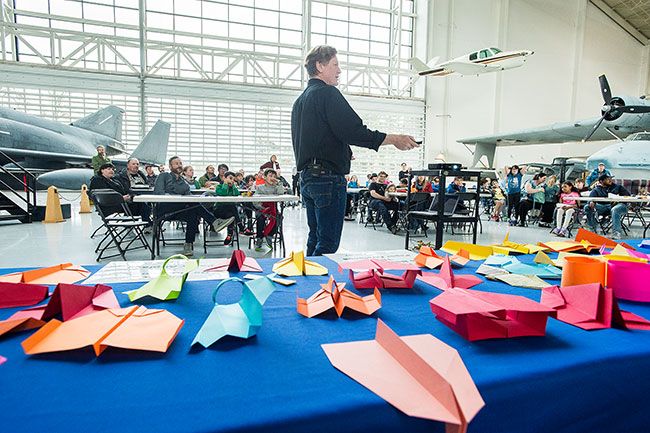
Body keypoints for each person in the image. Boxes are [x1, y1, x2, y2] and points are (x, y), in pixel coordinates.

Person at [291, 45, 418, 255]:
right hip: (327, 179)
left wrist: (341, 151)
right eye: (335, 65)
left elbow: (315, 138)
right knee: (328, 244)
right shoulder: (327, 93)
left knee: (315, 239)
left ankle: (307, 283)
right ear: (320, 66)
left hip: (308, 178)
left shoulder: (301, 101)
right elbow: (354, 131)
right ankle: (320, 285)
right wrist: (394, 139)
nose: (339, 71)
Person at [154, 156, 223, 256]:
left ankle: (188, 244)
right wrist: (175, 196)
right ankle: (214, 222)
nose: (179, 165)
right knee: (193, 204)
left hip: (179, 210)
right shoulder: (164, 176)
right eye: (176, 163)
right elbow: (158, 193)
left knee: (193, 212)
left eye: (180, 163)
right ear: (170, 166)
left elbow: (188, 196)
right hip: (164, 209)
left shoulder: (183, 181)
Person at [584, 174, 630, 239]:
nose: (610, 180)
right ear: (601, 181)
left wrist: (618, 199)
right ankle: (592, 228)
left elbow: (628, 196)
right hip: (603, 207)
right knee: (587, 207)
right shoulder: (596, 190)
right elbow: (591, 199)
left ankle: (616, 233)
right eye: (607, 179)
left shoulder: (618, 187)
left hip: (618, 205)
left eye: (611, 178)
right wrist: (591, 202)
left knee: (615, 209)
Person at [253, 169, 286, 252]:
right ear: (264, 177)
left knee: (279, 217)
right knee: (260, 217)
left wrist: (279, 183)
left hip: (273, 210)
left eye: (274, 176)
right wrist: (262, 208)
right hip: (262, 209)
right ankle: (259, 237)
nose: (272, 178)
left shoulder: (276, 188)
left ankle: (270, 235)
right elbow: (255, 201)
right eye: (270, 176)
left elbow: (281, 193)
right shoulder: (260, 187)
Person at [211, 171, 239, 246]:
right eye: (230, 178)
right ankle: (240, 226)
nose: (232, 181)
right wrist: (225, 184)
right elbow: (223, 194)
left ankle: (229, 236)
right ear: (224, 178)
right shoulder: (219, 187)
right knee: (232, 208)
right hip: (219, 210)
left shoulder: (232, 188)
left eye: (233, 179)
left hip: (229, 213)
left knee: (232, 215)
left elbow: (237, 194)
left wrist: (233, 186)